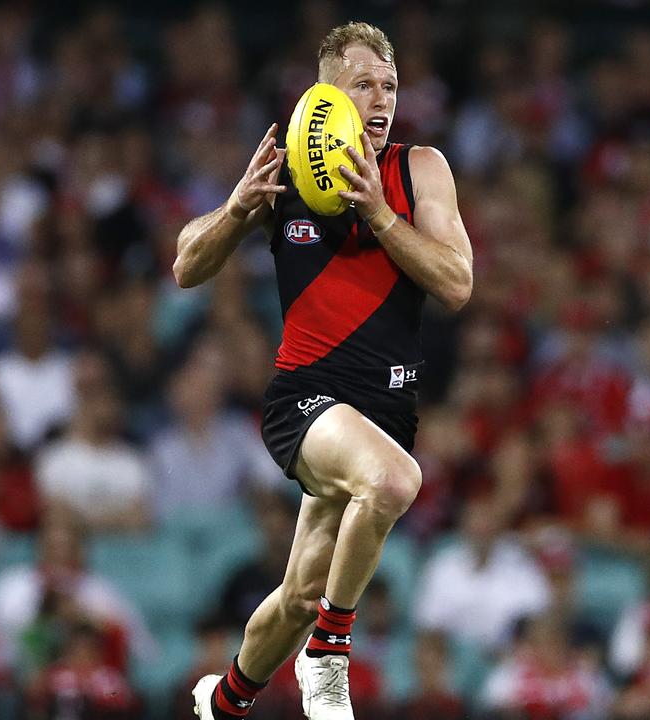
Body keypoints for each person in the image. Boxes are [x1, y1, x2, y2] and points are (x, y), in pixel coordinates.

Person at [175, 21, 473, 720]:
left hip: (387, 409)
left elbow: (457, 284)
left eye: (391, 86)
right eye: (363, 83)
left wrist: (381, 214)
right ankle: (329, 654)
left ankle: (223, 701)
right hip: (306, 399)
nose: (380, 100)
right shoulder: (287, 173)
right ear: (325, 95)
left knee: (303, 592)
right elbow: (186, 264)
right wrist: (236, 210)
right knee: (395, 481)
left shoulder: (418, 169)